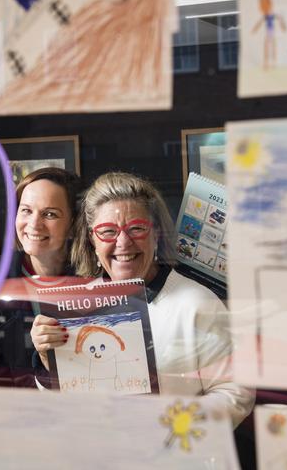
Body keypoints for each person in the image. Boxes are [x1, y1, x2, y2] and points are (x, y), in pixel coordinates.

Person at [31, 171, 253, 426]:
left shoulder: (197, 303)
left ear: (155, 233)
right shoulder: (76, 306)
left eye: (136, 228)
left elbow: (236, 393)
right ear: (92, 238)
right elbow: (66, 404)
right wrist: (49, 361)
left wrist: (172, 422)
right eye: (108, 231)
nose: (123, 242)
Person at [0, 167, 82, 378]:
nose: (34, 224)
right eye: (26, 210)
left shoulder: (96, 280)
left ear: (73, 224)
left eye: (49, 214)